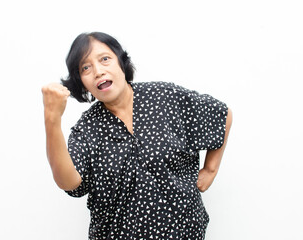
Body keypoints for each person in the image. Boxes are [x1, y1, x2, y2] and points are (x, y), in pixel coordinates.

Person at [41, 32, 232, 240]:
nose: (97, 71)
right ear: (81, 82)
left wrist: (210, 170)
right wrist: (52, 120)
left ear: (121, 62)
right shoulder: (86, 130)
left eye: (105, 59)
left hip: (184, 231)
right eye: (85, 68)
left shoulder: (165, 98)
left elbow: (222, 115)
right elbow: (71, 183)